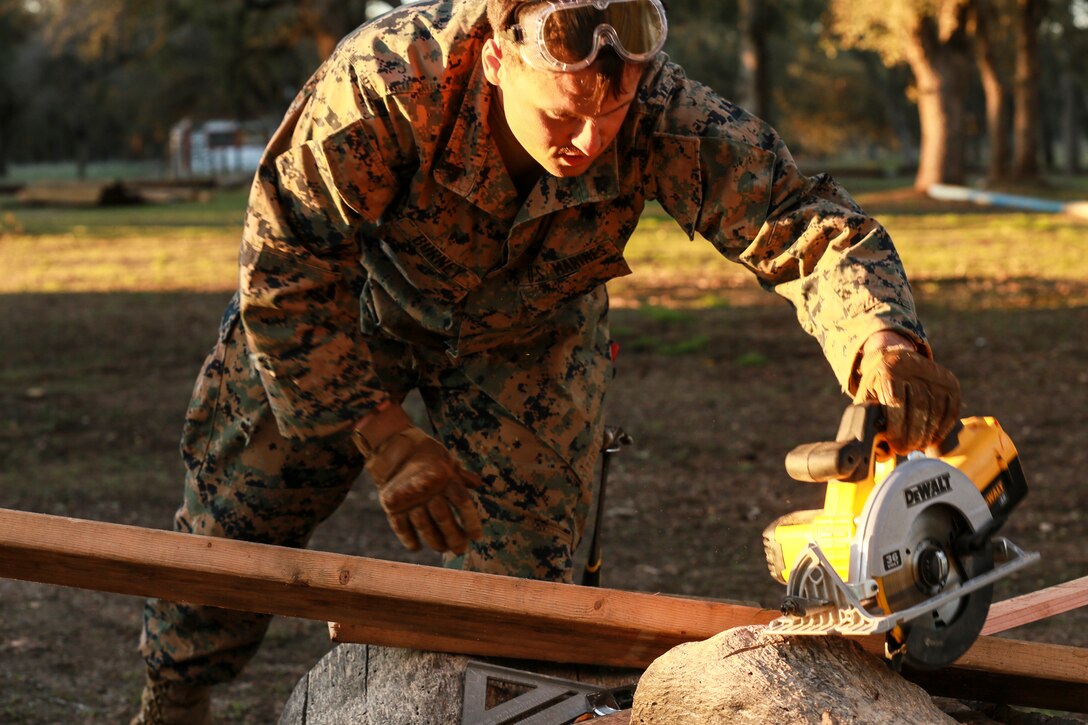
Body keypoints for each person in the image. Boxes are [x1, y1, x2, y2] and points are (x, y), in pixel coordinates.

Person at [131, 0, 961, 721]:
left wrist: (881, 338)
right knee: (239, 519)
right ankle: (175, 693)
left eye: (614, 111)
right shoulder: (383, 85)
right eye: (563, 118)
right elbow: (286, 273)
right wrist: (385, 437)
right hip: (348, 314)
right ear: (497, 57)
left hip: (525, 332)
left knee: (533, 590)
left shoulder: (657, 109)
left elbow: (797, 217)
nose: (592, 141)